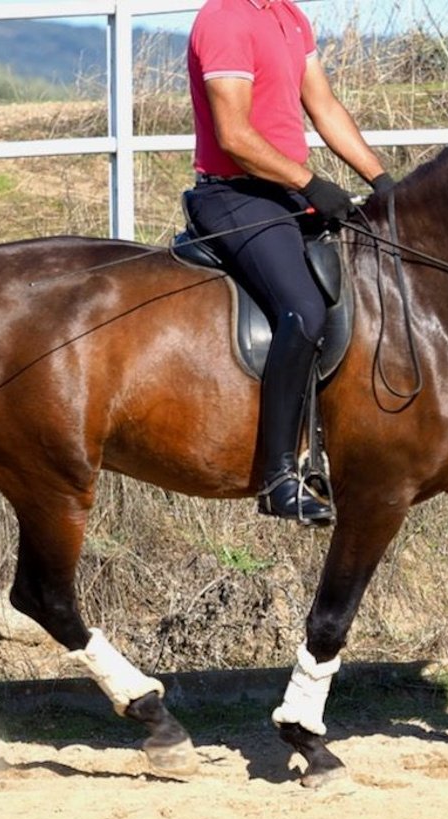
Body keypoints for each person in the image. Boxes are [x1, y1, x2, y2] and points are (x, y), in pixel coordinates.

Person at [185, 0, 394, 525]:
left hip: (282, 192)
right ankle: (280, 478)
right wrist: (310, 183)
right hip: (235, 196)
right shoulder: (226, 18)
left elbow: (323, 108)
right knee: (303, 307)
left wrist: (385, 184)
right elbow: (233, 135)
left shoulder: (289, 16)